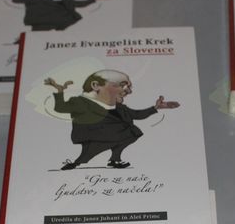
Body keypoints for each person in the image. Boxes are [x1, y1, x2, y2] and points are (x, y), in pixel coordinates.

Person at [44, 71, 179, 170]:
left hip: (113, 134)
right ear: (96, 86)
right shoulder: (82, 102)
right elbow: (61, 108)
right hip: (94, 135)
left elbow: (137, 114)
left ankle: (114, 159)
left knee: (132, 132)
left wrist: (156, 108)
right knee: (88, 153)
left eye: (129, 87)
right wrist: (59, 92)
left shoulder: (119, 107)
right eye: (123, 86)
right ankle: (76, 163)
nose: (129, 91)